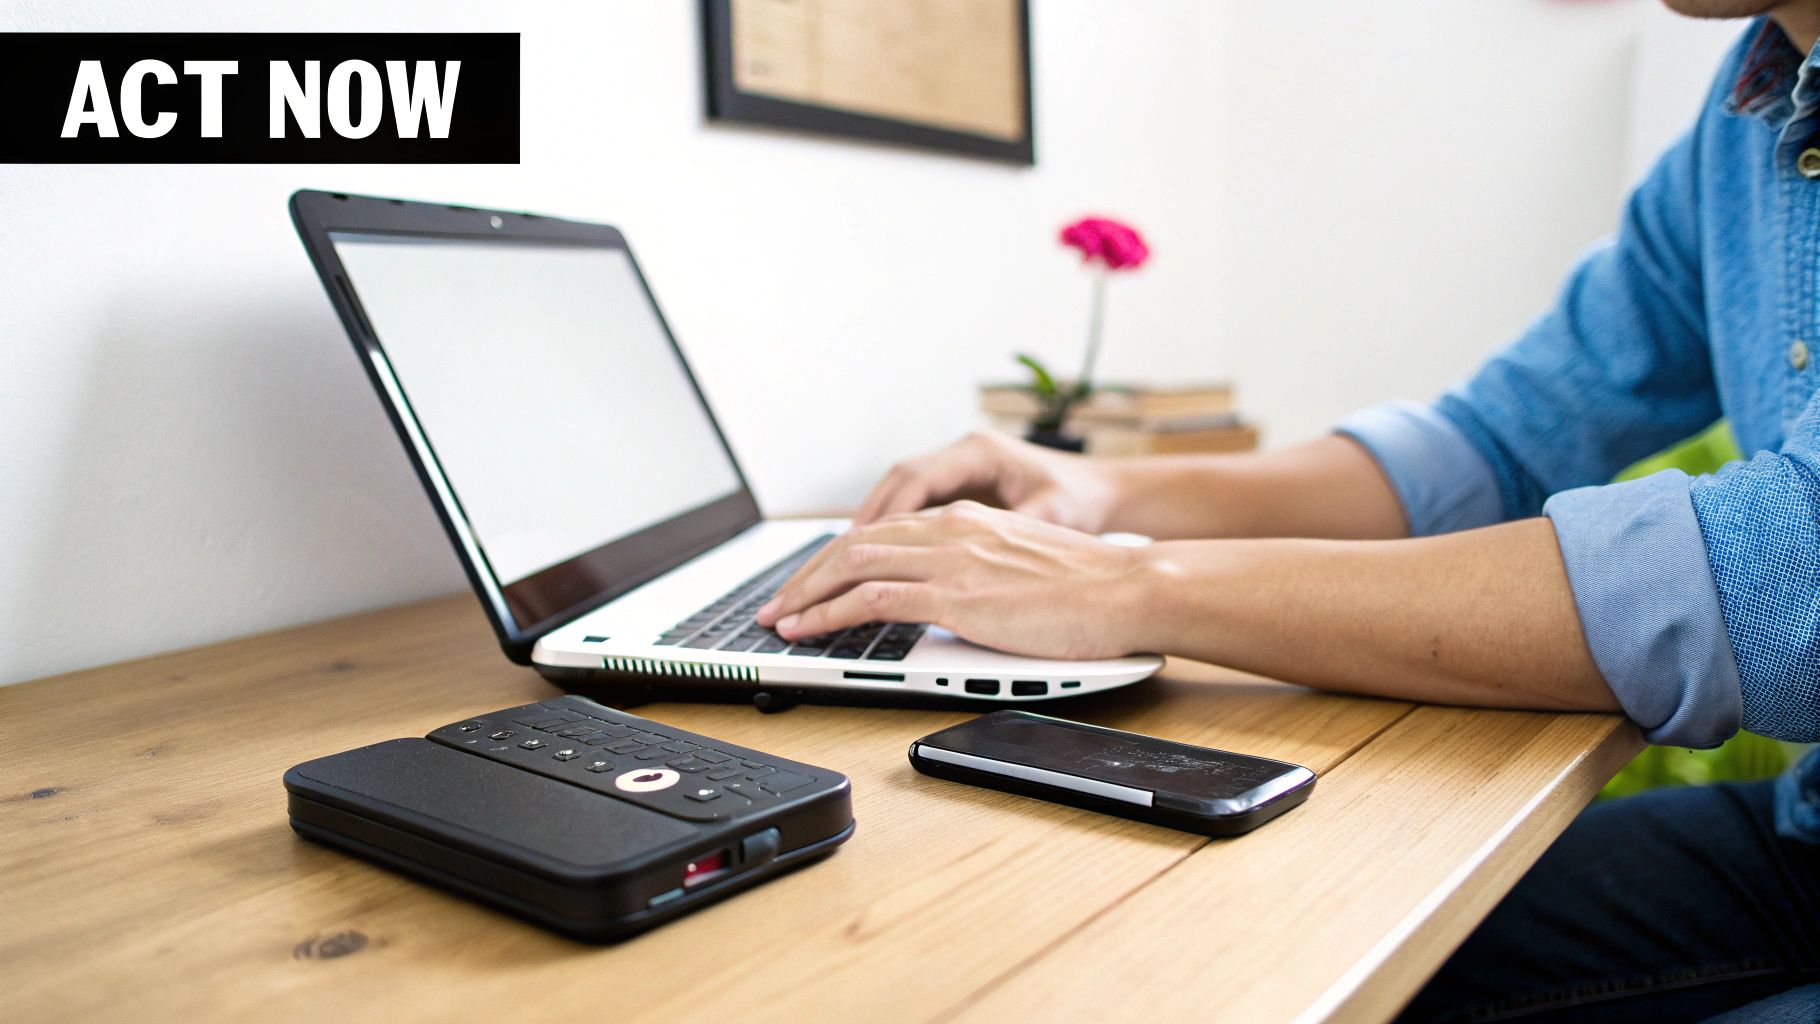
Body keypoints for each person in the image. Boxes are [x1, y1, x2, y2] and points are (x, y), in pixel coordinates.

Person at [755, 3, 1820, 1019]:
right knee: (1258, 962)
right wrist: (1106, 492)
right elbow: (1495, 437)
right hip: (1802, 838)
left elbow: (1772, 575)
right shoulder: (1743, 110)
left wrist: (1130, 584)